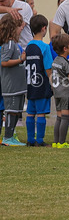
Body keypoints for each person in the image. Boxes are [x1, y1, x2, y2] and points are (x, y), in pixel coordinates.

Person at [22, 15, 52, 146]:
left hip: (30, 84)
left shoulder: (28, 46)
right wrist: (53, 83)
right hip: (41, 84)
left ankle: (30, 140)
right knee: (41, 113)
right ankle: (39, 140)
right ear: (44, 28)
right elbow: (48, 68)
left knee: (30, 112)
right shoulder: (45, 47)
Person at [0, 14, 27, 146]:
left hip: (18, 85)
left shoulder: (14, 44)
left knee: (16, 111)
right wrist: (20, 60)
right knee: (11, 111)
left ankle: (11, 136)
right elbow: (4, 62)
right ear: (12, 28)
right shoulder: (9, 44)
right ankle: (8, 137)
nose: (21, 29)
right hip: (11, 85)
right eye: (19, 27)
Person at [51, 35, 69, 147]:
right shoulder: (67, 63)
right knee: (65, 117)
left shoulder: (55, 61)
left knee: (59, 117)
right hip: (66, 93)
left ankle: (56, 142)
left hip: (57, 92)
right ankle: (62, 142)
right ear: (65, 49)